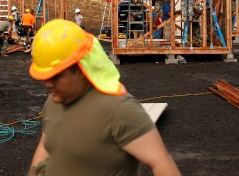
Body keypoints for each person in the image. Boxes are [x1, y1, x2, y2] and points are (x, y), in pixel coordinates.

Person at [28, 19, 180, 176]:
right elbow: (45, 147)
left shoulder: (118, 109)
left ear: (81, 68)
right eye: (44, 76)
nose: (48, 83)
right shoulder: (53, 102)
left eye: (56, 77)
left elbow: (161, 162)